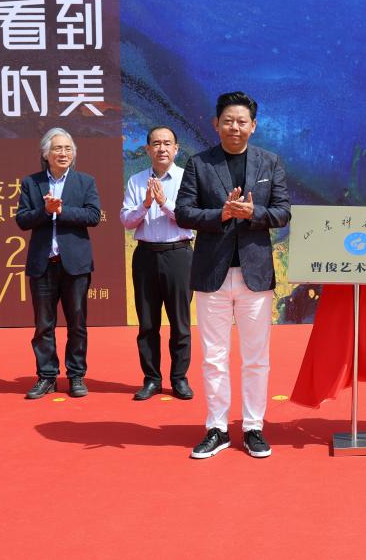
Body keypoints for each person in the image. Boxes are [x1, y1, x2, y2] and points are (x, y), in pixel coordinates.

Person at [176, 91, 291, 459]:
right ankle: (217, 427)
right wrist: (222, 214)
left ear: (253, 126)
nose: (235, 127)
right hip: (212, 272)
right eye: (228, 121)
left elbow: (283, 212)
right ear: (216, 124)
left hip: (254, 273)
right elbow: (184, 212)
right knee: (214, 356)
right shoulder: (199, 163)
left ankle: (254, 426)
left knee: (256, 356)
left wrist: (253, 214)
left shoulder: (270, 162)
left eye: (242, 121)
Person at [16, 128, 101, 399]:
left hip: (75, 264)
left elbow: (93, 216)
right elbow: (22, 220)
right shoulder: (32, 183)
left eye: (67, 149)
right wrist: (45, 211)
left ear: (73, 153)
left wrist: (62, 211)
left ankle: (76, 375)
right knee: (44, 325)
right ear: (46, 154)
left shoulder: (85, 181)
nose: (63, 153)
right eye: (57, 148)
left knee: (77, 323)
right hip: (43, 264)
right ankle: (47, 376)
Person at [120, 126, 195, 401]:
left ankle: (179, 379)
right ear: (147, 149)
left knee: (180, 322)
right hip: (146, 256)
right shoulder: (136, 180)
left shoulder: (188, 179)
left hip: (179, 255)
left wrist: (164, 203)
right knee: (147, 323)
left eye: (167, 143)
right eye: (156, 143)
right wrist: (145, 204)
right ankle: (152, 379)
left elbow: (190, 217)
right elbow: (127, 221)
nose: (162, 148)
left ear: (176, 148)